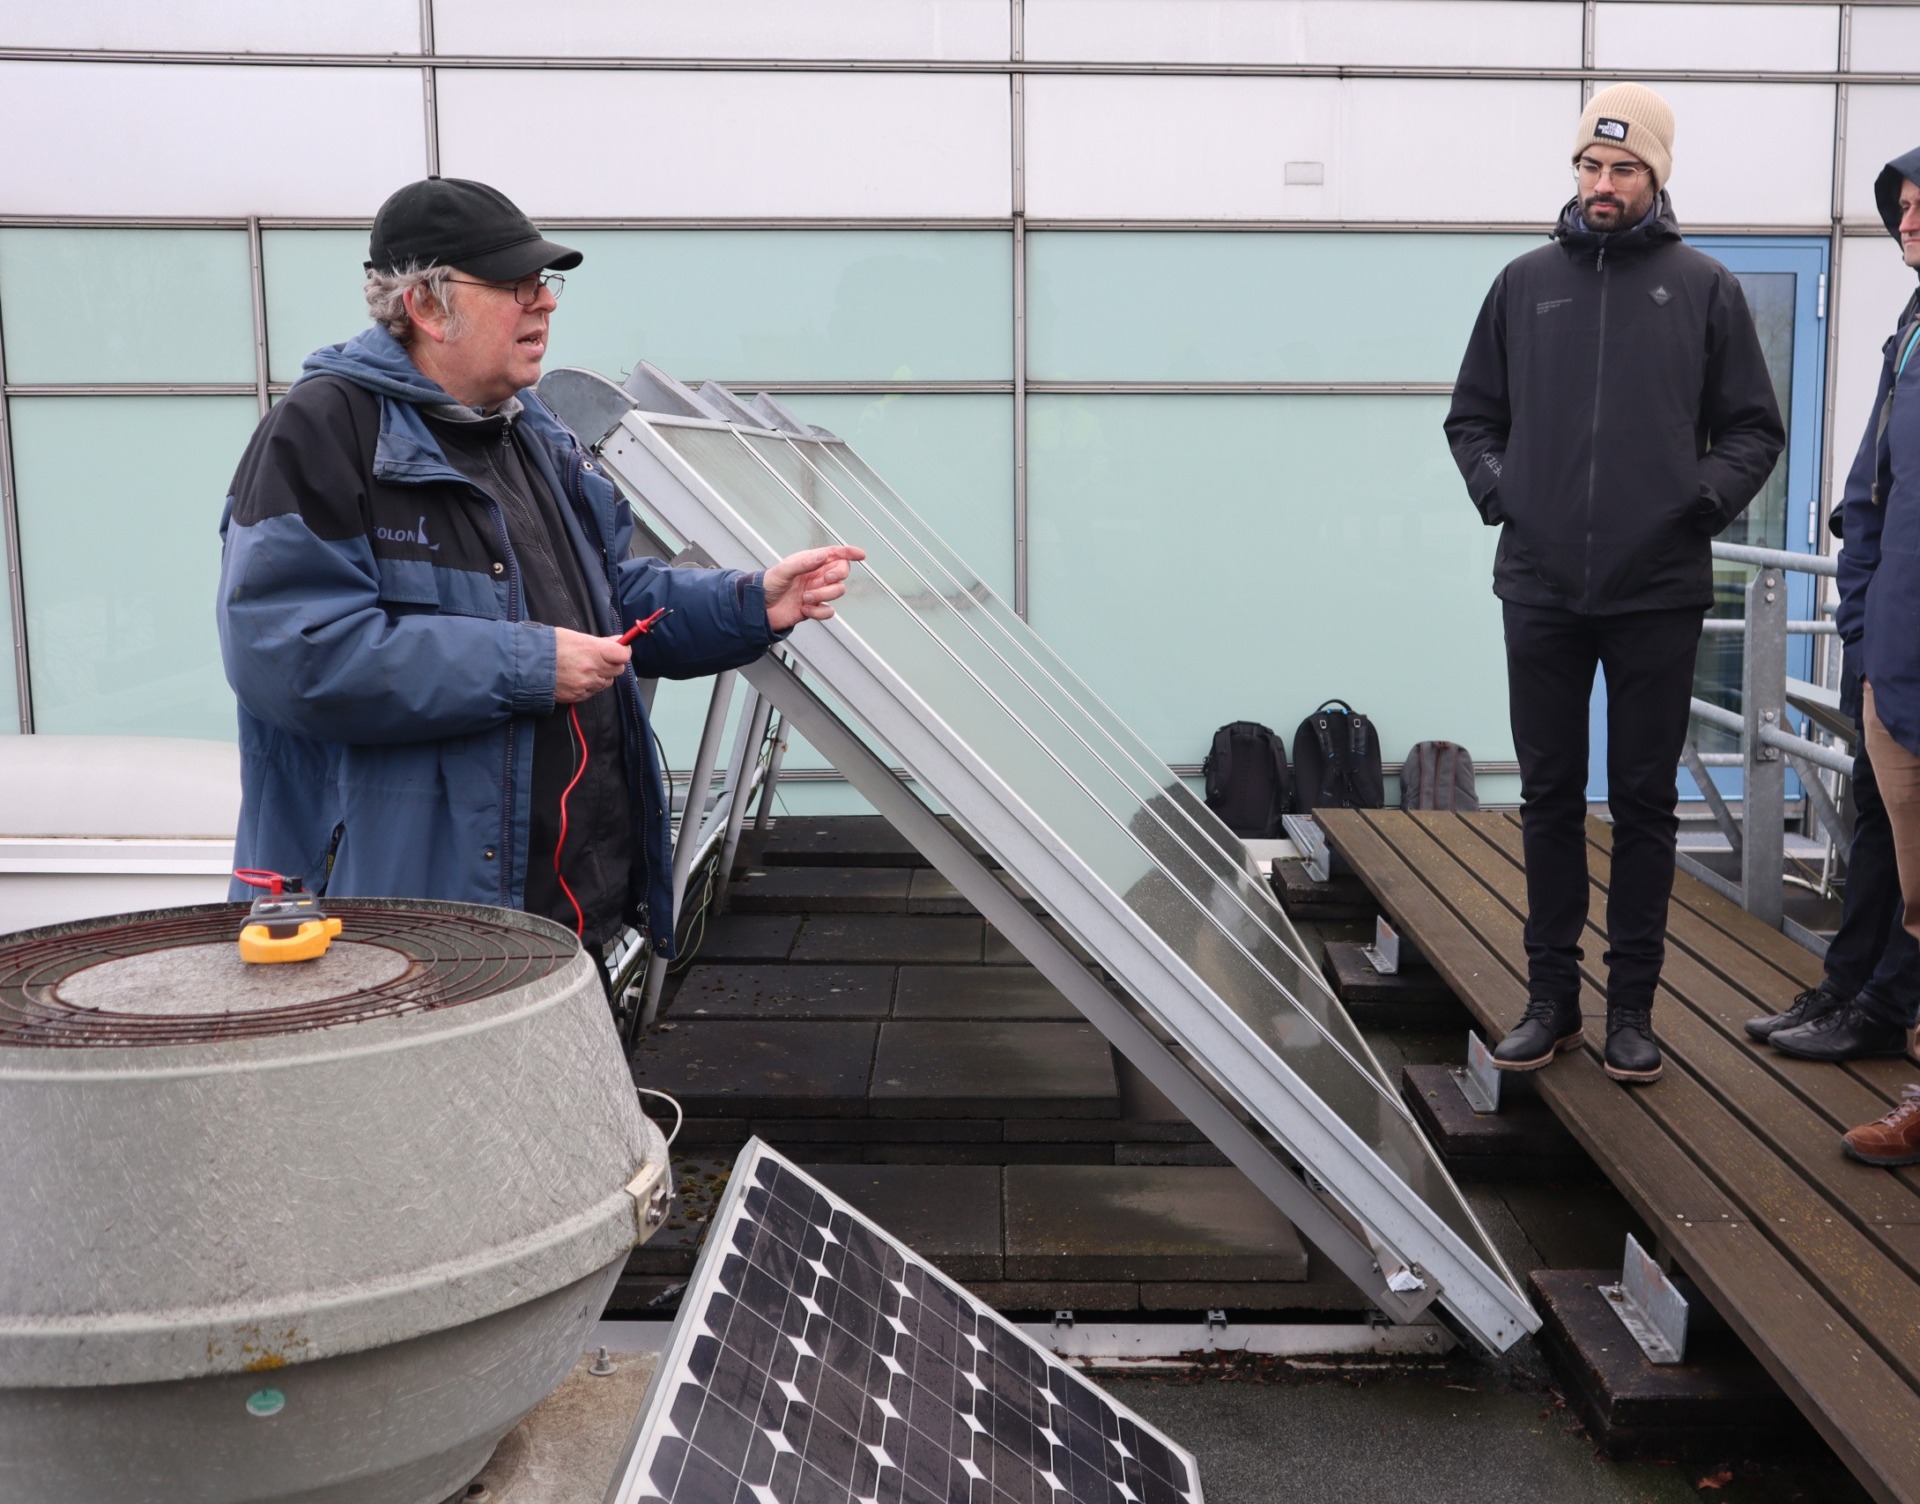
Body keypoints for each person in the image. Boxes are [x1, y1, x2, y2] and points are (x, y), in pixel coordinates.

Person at [217, 176, 864, 980]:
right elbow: (291, 656)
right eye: (515, 284)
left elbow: (605, 600)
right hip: (408, 940)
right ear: (427, 305)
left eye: (544, 282)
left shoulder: (528, 431)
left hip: (561, 922)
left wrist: (749, 602)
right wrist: (526, 665)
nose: (545, 302)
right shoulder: (323, 433)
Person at [1444, 84, 1785, 1085]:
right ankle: (1550, 1001)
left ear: (1655, 177)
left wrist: (1697, 501)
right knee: (1548, 795)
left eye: (1624, 168)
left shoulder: (1704, 288)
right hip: (1540, 586)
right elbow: (1472, 417)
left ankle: (1631, 1010)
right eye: (1591, 166)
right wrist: (1507, 493)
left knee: (1643, 802)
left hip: (1658, 588)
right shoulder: (1523, 284)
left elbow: (1754, 428)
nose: (1603, 183)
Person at [1830, 145, 1920, 1164]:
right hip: (1896, 673)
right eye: (1900, 206)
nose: (1908, 219)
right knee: (1919, 896)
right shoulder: (1910, 332)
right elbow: (1867, 495)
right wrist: (1861, 627)